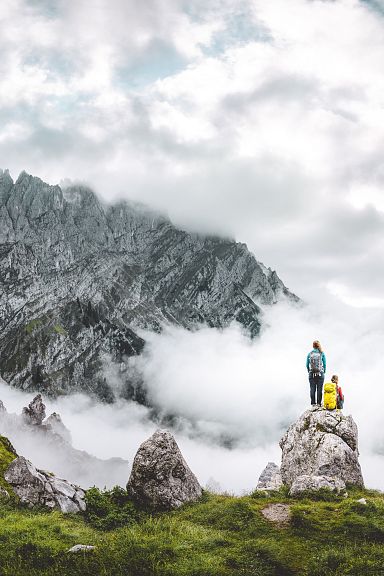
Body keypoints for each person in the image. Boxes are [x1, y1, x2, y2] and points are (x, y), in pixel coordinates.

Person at [306, 340, 326, 407]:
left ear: (313, 345)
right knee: (319, 389)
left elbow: (306, 364)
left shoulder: (310, 353)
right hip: (320, 374)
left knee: (312, 389)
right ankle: (319, 404)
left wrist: (309, 371)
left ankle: (313, 404)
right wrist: (324, 371)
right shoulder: (322, 353)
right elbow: (325, 364)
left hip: (312, 374)